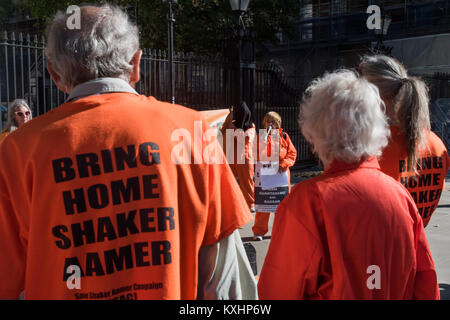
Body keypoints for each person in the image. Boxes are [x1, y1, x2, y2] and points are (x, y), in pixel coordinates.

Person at [0, 4, 257, 300]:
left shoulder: (18, 151)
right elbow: (225, 280)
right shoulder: (192, 130)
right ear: (136, 64)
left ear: (55, 75)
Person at [258, 70, 439, 300]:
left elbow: (277, 292)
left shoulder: (307, 202)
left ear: (315, 130)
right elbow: (426, 285)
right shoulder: (400, 196)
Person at [358, 55, 450, 227]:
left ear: (370, 95)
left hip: (377, 249)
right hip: (416, 246)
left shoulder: (371, 147)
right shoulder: (436, 144)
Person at [252, 111, 297, 240]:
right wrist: (264, 140)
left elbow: (292, 153)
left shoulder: (284, 136)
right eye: (268, 121)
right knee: (263, 203)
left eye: (273, 121)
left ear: (278, 123)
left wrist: (284, 164)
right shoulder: (260, 137)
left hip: (280, 175)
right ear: (265, 123)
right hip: (265, 175)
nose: (271, 123)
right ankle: (259, 232)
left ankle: (281, 231)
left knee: (281, 205)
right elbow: (255, 153)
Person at [220, 102, 256, 212]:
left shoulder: (251, 126)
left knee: (247, 183)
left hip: (244, 158)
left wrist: (233, 129)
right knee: (229, 182)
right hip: (231, 157)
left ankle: (250, 204)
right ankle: (231, 204)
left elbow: (244, 139)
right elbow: (223, 132)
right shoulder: (232, 123)